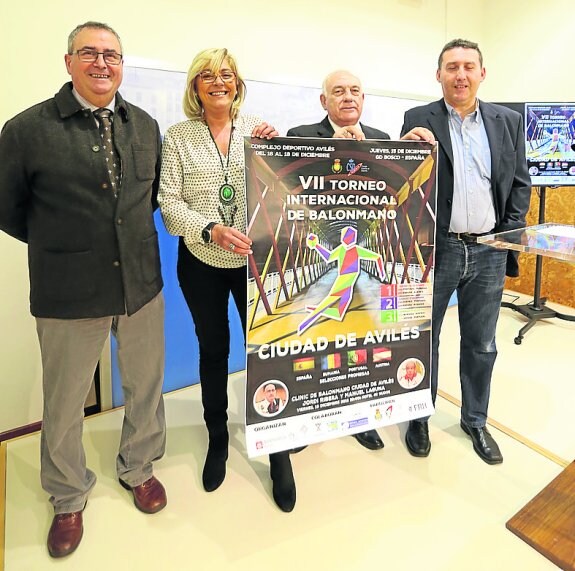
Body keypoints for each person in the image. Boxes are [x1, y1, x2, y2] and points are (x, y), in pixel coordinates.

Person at [0, 21, 167, 558]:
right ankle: (68, 496)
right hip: (68, 290)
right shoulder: (26, 130)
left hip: (140, 284)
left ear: (122, 64)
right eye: (89, 53)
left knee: (145, 386)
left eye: (112, 55)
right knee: (66, 400)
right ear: (67, 61)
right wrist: (67, 243)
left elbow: (152, 198)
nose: (102, 63)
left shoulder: (144, 125)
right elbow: (8, 209)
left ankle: (138, 467)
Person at [158, 48, 296, 512]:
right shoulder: (178, 137)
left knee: (267, 352)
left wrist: (277, 151)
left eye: (227, 74)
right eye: (208, 75)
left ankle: (277, 450)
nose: (219, 81)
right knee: (213, 350)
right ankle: (218, 437)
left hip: (256, 262)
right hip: (201, 260)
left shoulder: (257, 129)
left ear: (237, 83)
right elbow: (168, 201)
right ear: (195, 85)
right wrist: (210, 228)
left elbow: (281, 190)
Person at [400, 39, 531, 464]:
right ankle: (419, 415)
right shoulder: (418, 118)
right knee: (425, 338)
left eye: (468, 66)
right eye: (451, 67)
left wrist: (507, 234)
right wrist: (405, 150)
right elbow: (403, 180)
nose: (460, 74)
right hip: (438, 250)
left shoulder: (507, 121)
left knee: (482, 343)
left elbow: (520, 183)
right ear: (438, 75)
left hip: (491, 249)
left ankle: (475, 419)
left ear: (482, 73)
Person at [287, 69, 432, 451]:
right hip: (336, 272)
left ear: (363, 99)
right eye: (338, 91)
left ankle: (359, 417)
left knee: (361, 339)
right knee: (320, 344)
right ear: (324, 102)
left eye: (355, 91)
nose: (348, 96)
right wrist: (333, 148)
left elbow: (397, 196)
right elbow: (292, 194)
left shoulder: (382, 141)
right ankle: (307, 415)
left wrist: (412, 148)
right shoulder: (301, 136)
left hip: (355, 281)